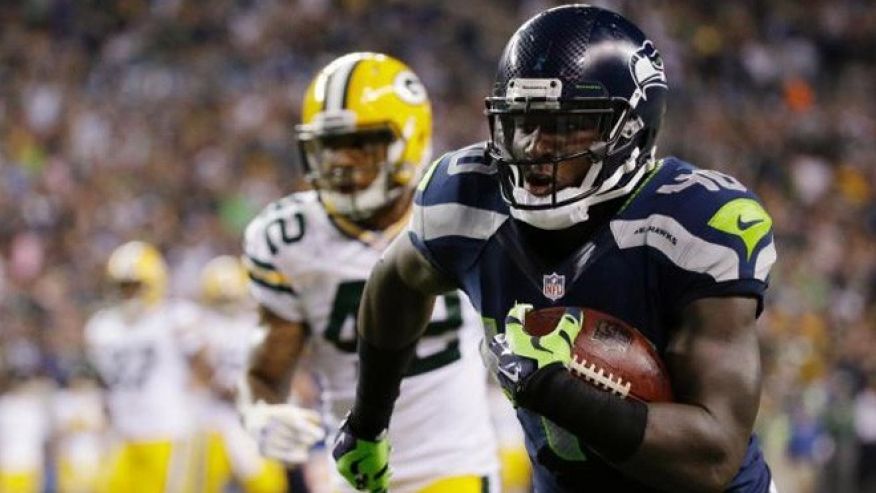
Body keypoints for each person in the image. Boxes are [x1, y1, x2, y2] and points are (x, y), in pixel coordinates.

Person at [333, 5, 779, 493]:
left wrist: (549, 386)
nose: (534, 144)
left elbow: (712, 457)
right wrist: (367, 421)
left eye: (566, 125)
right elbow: (394, 282)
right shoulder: (467, 198)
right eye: (523, 120)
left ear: (630, 129)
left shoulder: (693, 222)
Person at [238, 52, 499, 492]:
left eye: (362, 145)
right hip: (354, 477)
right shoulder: (290, 238)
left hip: (454, 468)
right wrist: (257, 411)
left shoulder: (458, 211)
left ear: (410, 141)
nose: (342, 162)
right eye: (329, 146)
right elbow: (264, 373)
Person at [84, 241, 204, 493]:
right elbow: (105, 383)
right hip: (125, 434)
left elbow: (203, 368)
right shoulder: (103, 328)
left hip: (168, 431)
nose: (128, 294)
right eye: (123, 287)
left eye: (134, 286)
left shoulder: (175, 318)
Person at [194, 255, 287, 493]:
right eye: (221, 298)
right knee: (207, 482)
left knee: (266, 482)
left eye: (231, 297)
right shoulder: (202, 325)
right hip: (214, 416)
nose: (227, 303)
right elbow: (199, 371)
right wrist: (218, 383)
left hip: (251, 415)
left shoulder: (257, 325)